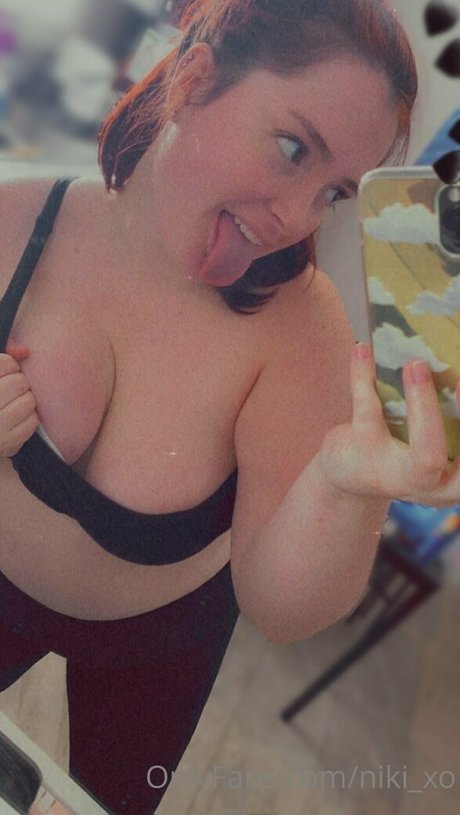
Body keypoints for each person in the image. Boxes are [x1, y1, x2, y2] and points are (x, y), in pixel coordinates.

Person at [0, 0, 456, 812]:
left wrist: (346, 485)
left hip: (156, 654)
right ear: (195, 78)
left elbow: (281, 608)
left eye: (333, 193)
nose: (297, 218)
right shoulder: (16, 219)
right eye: (293, 148)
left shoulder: (302, 328)